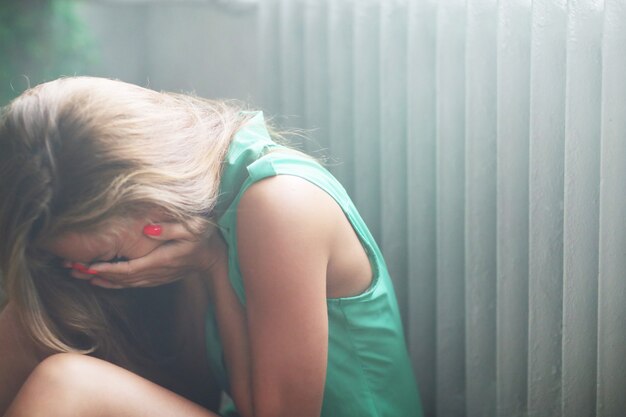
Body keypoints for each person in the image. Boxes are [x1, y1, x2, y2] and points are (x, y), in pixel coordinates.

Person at [0, 76, 422, 417]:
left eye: (108, 257)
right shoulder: (197, 196)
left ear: (150, 200)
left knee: (68, 384)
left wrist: (213, 263)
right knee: (28, 323)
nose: (113, 270)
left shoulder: (281, 204)